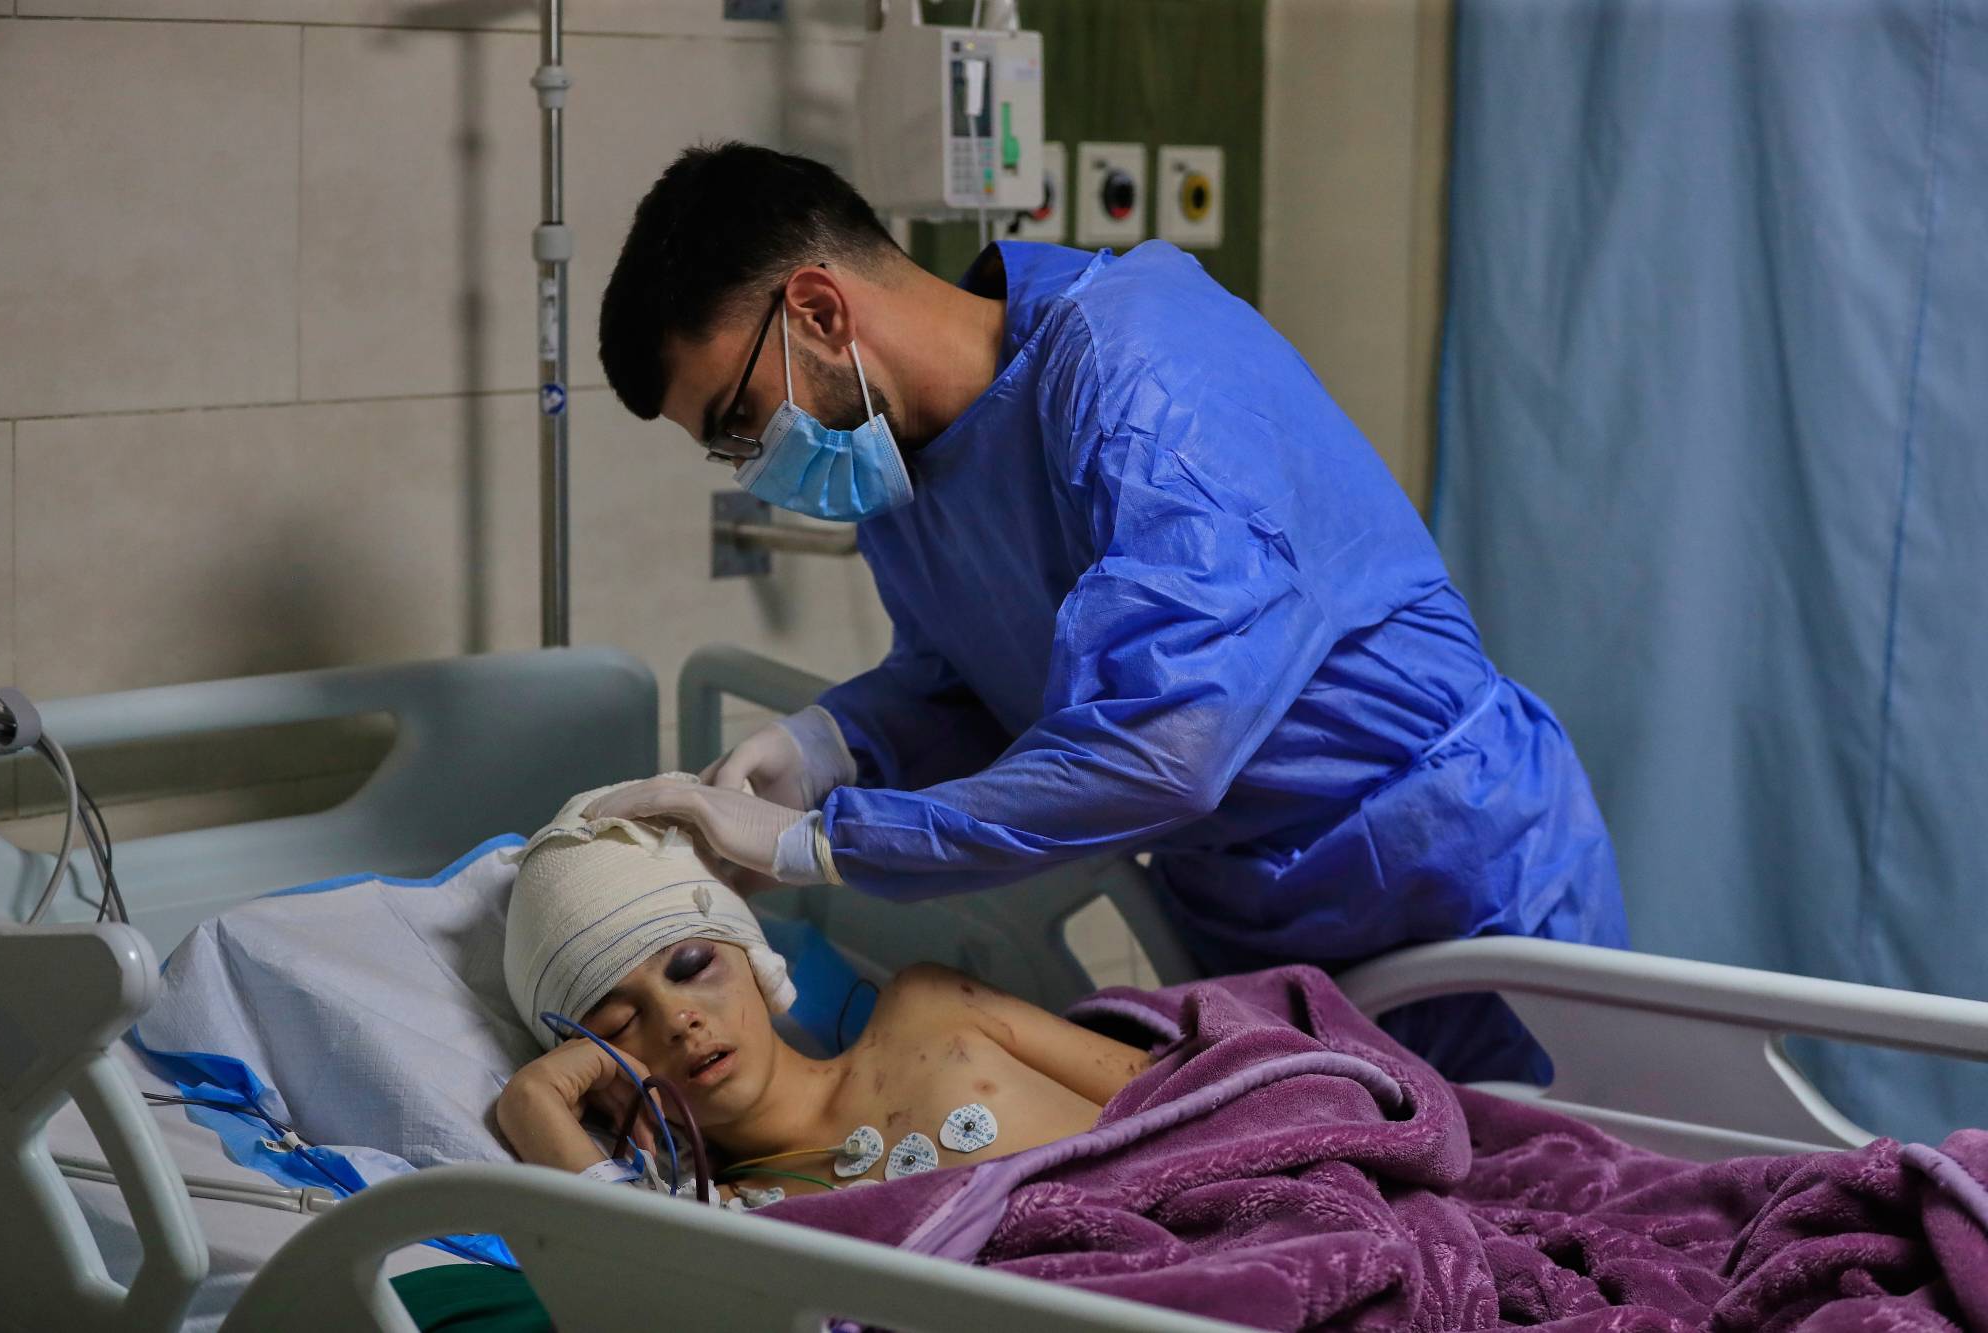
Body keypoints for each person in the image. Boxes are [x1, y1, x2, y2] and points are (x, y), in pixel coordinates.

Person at [589, 142, 1629, 1081]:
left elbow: (1166, 741)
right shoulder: (898, 480)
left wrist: (824, 844)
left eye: (741, 419)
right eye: (728, 450)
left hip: (1451, 887)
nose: (755, 466)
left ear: (818, 311)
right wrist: (828, 744)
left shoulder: (1139, 370)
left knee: (1563, 1199)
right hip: (1252, 929)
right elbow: (972, 682)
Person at [494, 784, 1148, 1199]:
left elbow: (1185, 1099)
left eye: (692, 966)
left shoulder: (931, 1011)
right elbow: (627, 1292)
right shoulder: (722, 1223)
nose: (677, 1019)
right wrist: (532, 1104)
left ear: (754, 958)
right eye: (618, 1024)